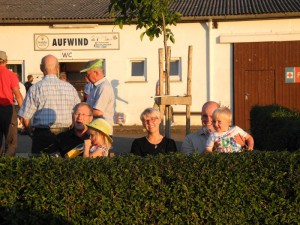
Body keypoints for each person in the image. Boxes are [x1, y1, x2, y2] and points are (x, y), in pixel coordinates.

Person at [18, 54, 80, 155]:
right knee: (65, 167)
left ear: (41, 68)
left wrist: (32, 134)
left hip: (42, 134)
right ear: (58, 68)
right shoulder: (70, 88)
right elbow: (78, 112)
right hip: (66, 133)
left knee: (40, 168)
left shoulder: (35, 88)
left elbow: (25, 118)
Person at [180, 101, 245, 155]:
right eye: (205, 116)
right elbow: (188, 163)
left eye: (212, 116)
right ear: (201, 117)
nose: (208, 120)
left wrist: (243, 145)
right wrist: (208, 152)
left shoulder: (235, 133)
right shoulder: (189, 140)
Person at [0, 50, 24, 156]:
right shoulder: (11, 75)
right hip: (7, 109)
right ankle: (8, 168)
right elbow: (18, 95)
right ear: (6, 61)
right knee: (11, 143)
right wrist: (23, 114)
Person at [80, 59, 115, 126]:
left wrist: (82, 113)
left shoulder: (104, 87)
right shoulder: (96, 86)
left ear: (96, 73)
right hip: (96, 127)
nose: (87, 78)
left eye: (87, 75)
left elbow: (99, 112)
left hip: (102, 129)